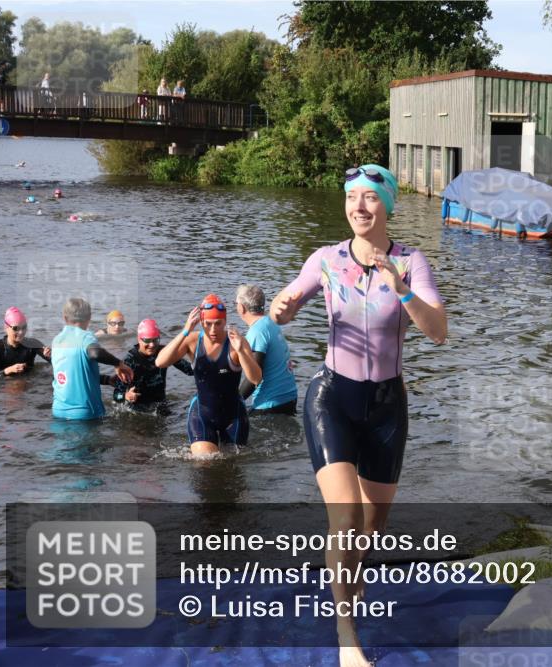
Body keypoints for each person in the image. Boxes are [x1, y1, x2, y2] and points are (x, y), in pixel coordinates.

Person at [270, 164, 446, 667]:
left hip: (388, 406)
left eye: (370, 197)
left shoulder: (412, 263)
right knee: (345, 519)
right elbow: (291, 298)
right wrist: (282, 310)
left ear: (387, 204)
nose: (359, 207)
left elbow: (438, 332)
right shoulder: (326, 259)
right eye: (352, 197)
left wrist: (402, 288)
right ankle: (349, 641)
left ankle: (349, 573)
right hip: (332, 398)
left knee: (371, 524)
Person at [155, 294, 261, 456]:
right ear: (201, 322)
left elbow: (256, 379)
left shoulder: (236, 342)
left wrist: (241, 351)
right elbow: (160, 362)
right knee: (204, 465)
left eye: (218, 323)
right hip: (203, 414)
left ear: (225, 321)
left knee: (233, 466)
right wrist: (185, 331)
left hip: (234, 416)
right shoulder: (192, 340)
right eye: (208, 324)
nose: (213, 330)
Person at [51, 298, 133, 420]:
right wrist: (118, 363)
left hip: (58, 410)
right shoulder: (85, 337)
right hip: (85, 413)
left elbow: (73, 375)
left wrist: (106, 380)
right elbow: (95, 353)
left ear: (64, 318)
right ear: (89, 318)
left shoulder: (56, 340)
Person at [234, 284, 297, 414]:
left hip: (270, 403)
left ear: (241, 308)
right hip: (290, 397)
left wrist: (233, 402)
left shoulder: (257, 331)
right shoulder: (270, 322)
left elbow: (254, 378)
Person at [106, 319, 193, 409]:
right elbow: (116, 396)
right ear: (139, 339)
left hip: (161, 405)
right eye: (147, 340)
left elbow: (190, 370)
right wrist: (126, 396)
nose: (151, 345)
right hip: (139, 411)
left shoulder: (164, 353)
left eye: (155, 340)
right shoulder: (130, 361)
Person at [0, 307, 51, 376]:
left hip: (28, 383)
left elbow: (57, 361)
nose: (21, 332)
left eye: (24, 327)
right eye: (15, 328)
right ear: (6, 328)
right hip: (5, 384)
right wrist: (8, 370)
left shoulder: (32, 344)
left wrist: (51, 354)